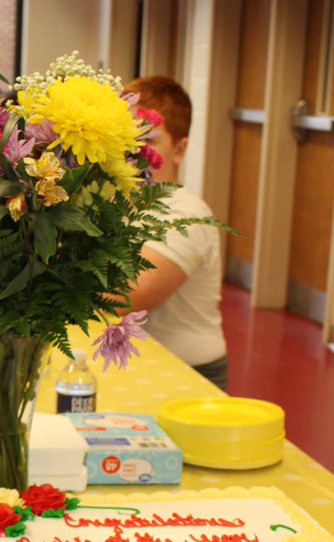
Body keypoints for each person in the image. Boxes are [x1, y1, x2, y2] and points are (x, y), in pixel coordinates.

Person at [123, 75, 229, 391]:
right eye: (126, 140)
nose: (135, 152)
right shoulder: (116, 202)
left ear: (179, 150)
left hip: (190, 374)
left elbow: (128, 295)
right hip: (139, 369)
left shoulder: (186, 212)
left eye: (149, 141)